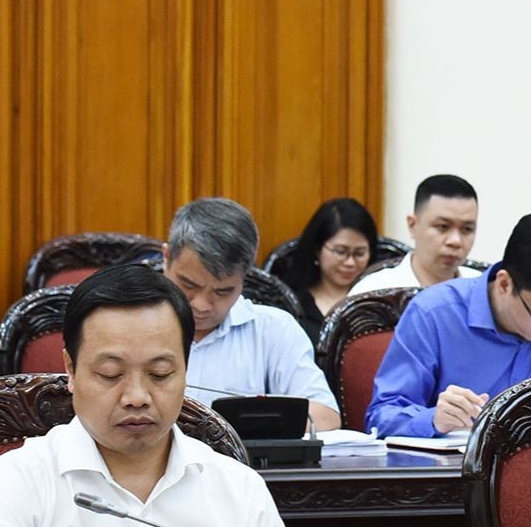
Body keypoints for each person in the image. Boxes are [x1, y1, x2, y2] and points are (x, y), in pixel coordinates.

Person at [0, 266, 289, 527]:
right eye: (110, 374)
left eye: (160, 374)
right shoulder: (18, 478)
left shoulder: (239, 489)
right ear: (71, 370)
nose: (137, 396)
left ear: (185, 370)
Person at [366, 212, 531, 437]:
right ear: (504, 284)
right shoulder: (433, 313)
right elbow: (381, 416)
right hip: (452, 473)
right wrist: (433, 419)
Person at [162, 197, 341, 432]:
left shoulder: (272, 329)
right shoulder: (129, 322)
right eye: (189, 285)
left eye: (222, 291)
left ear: (245, 277)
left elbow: (325, 416)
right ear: (166, 258)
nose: (202, 305)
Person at [348, 174, 480, 296]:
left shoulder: (483, 290)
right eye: (443, 227)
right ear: (413, 225)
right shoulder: (374, 292)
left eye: (467, 229)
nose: (455, 241)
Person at [274, 197, 381, 345]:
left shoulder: (380, 301)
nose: (350, 262)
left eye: (359, 253)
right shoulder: (292, 305)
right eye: (340, 252)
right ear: (317, 250)